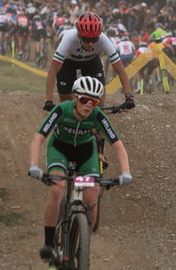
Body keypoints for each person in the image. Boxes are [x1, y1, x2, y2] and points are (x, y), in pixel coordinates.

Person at [29, 77, 132, 263]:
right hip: (59, 150)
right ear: (75, 98)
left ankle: (82, 247)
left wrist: (126, 172)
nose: (89, 105)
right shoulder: (62, 109)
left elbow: (117, 145)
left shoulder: (97, 115)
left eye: (93, 101)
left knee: (92, 197)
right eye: (84, 100)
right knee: (57, 188)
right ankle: (48, 244)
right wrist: (34, 166)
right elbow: (38, 138)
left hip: (86, 154)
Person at [43, 12, 135, 111]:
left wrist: (128, 97)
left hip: (90, 62)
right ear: (79, 35)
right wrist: (49, 101)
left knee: (100, 104)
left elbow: (120, 70)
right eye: (86, 39)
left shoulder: (103, 39)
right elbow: (53, 70)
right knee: (67, 106)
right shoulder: (69, 38)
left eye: (94, 39)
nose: (90, 44)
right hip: (68, 64)